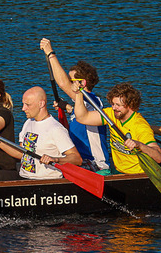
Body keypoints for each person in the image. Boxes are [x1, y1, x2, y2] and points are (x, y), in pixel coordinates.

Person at [40, 37, 112, 173]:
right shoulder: (79, 105)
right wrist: (67, 107)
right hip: (81, 161)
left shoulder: (91, 100)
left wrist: (50, 54)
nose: (69, 83)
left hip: (95, 165)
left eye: (72, 80)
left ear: (82, 83)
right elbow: (77, 115)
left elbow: (62, 83)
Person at [0, 86, 82, 180]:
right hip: (24, 177)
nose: (23, 108)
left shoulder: (55, 129)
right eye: (23, 104)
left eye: (28, 105)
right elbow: (22, 154)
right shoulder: (28, 122)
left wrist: (55, 159)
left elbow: (77, 159)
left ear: (41, 104)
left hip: (46, 181)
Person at [73, 82, 161, 174]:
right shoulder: (112, 114)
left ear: (130, 105)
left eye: (118, 105)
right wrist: (78, 94)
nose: (114, 108)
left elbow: (159, 157)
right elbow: (82, 118)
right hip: (118, 170)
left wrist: (139, 145)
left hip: (138, 174)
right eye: (112, 104)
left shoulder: (140, 126)